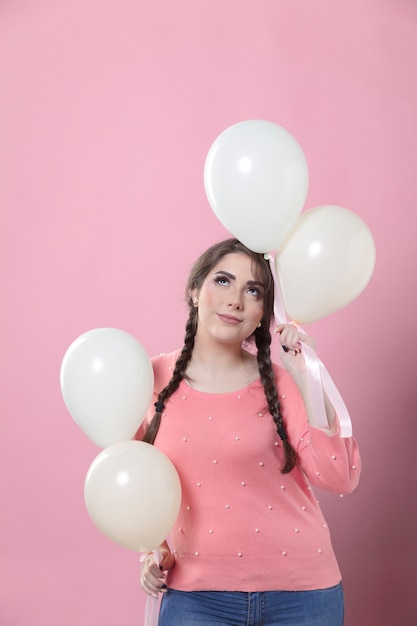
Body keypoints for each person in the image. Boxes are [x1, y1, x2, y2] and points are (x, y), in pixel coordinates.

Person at [137, 238, 361, 626]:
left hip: (304, 595)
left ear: (264, 313)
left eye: (253, 290)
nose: (235, 300)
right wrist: (152, 550)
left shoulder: (282, 380)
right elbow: (132, 478)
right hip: (196, 598)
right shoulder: (148, 378)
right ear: (195, 290)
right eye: (222, 281)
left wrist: (307, 380)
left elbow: (340, 476)